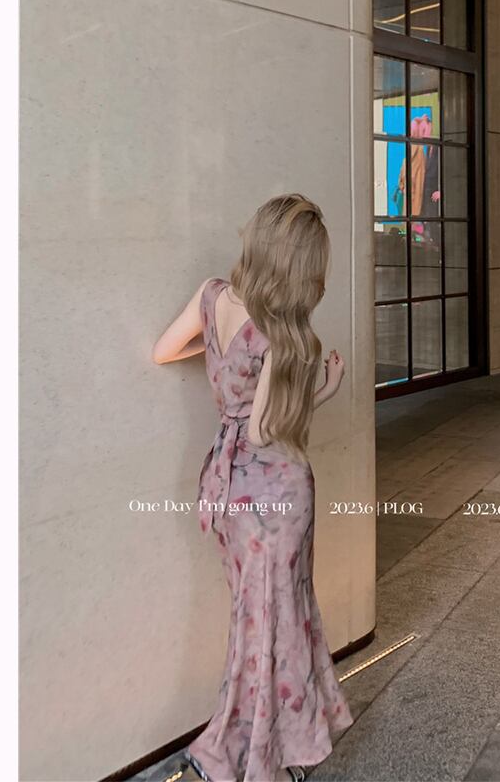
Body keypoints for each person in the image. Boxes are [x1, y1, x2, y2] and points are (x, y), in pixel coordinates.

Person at [152, 194, 354, 782]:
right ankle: (257, 753)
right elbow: (268, 431)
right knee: (281, 622)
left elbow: (164, 352)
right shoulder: (282, 335)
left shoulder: (211, 295)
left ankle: (258, 748)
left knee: (254, 621)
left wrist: (218, 356)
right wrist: (325, 389)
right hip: (275, 495)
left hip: (225, 487)